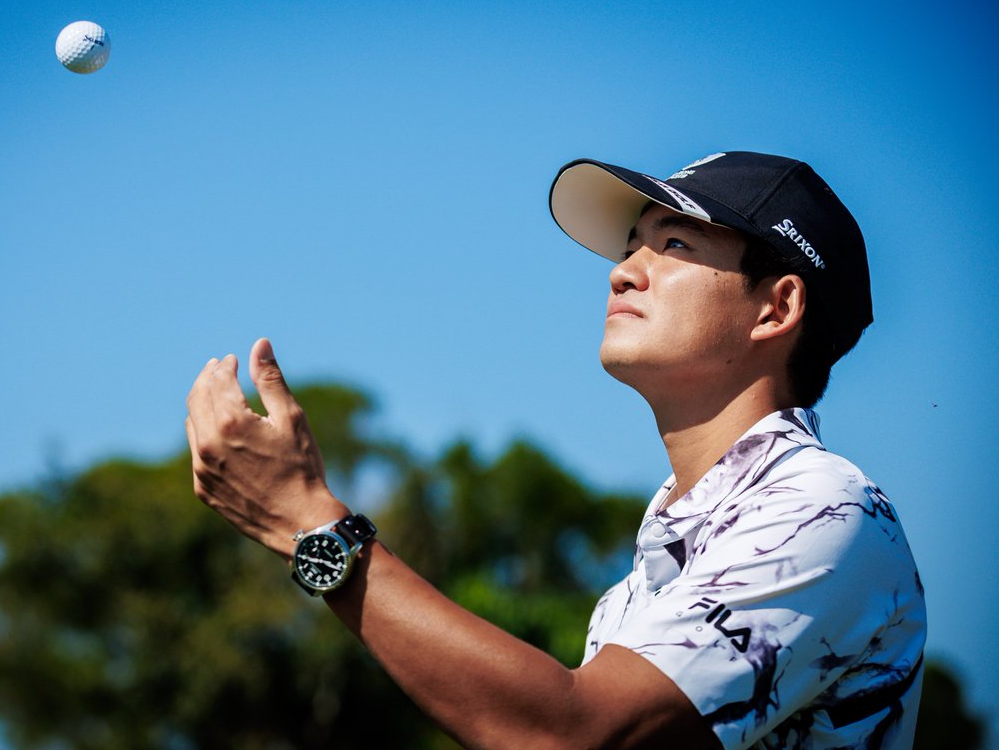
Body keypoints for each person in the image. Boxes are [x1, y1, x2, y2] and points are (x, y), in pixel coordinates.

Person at [185, 151, 926, 749]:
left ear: (778, 307)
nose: (623, 269)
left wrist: (312, 525)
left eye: (675, 243)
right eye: (634, 243)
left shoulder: (825, 510)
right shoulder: (638, 591)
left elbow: (573, 735)